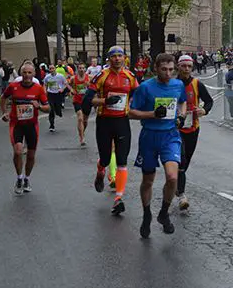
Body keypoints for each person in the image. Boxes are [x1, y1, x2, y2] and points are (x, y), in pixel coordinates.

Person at [129, 53, 188, 238]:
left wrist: (182, 115)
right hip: (149, 136)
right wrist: (152, 115)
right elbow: (130, 112)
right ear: (156, 68)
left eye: (171, 69)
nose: (168, 73)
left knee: (172, 177)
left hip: (170, 136)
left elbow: (183, 102)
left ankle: (164, 213)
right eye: (164, 69)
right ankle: (147, 214)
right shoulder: (145, 87)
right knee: (148, 180)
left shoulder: (178, 85)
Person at [88, 46, 139, 215]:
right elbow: (89, 100)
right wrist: (105, 101)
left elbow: (137, 94)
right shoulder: (101, 76)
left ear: (125, 58)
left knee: (122, 160)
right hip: (104, 121)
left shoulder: (130, 76)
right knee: (104, 157)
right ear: (109, 59)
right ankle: (101, 170)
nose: (117, 59)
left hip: (122, 121)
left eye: (120, 56)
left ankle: (118, 198)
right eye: (114, 56)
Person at [0, 62, 50, 194]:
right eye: (24, 72)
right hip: (16, 124)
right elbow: (3, 98)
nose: (27, 75)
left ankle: (27, 178)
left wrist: (38, 106)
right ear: (20, 74)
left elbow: (48, 108)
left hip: (32, 125)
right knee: (18, 151)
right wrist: (4, 112)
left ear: (33, 74)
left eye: (29, 73)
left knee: (31, 156)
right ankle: (19, 177)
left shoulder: (38, 88)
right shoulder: (13, 86)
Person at [176, 55, 214, 211]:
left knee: (186, 162)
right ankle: (182, 195)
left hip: (193, 128)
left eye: (189, 67)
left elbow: (209, 101)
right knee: (181, 160)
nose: (186, 69)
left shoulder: (197, 84)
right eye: (183, 66)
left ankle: (177, 185)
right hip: (176, 129)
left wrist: (204, 110)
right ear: (178, 67)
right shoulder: (172, 84)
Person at [68, 63, 91, 146]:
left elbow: (94, 87)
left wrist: (89, 85)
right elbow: (68, 85)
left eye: (83, 68)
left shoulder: (89, 78)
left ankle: (82, 132)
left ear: (85, 69)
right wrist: (71, 90)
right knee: (80, 118)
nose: (81, 69)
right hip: (77, 100)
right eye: (80, 68)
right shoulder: (73, 78)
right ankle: (81, 138)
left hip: (87, 101)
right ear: (77, 69)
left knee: (85, 120)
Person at [43, 65, 67, 132]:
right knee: (51, 109)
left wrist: (62, 89)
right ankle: (51, 125)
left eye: (53, 68)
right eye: (50, 69)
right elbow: (45, 84)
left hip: (58, 94)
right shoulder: (47, 77)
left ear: (55, 69)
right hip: (50, 94)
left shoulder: (60, 76)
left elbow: (65, 84)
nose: (51, 70)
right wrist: (45, 91)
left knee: (57, 108)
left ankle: (58, 111)